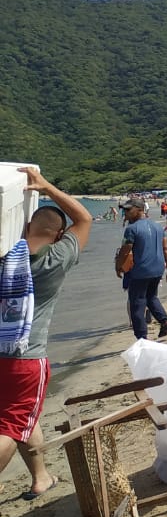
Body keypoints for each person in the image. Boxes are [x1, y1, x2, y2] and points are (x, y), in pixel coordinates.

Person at [0, 168, 91, 498]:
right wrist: (45, 186)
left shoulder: (4, 257)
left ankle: (40, 478)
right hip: (25, 359)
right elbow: (84, 220)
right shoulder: (56, 258)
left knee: (22, 416)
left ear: (24, 227)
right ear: (59, 234)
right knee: (10, 427)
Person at [115, 198, 167, 339]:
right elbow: (165, 249)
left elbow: (125, 250)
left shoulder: (131, 229)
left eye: (129, 210)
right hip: (157, 270)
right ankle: (165, 322)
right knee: (151, 297)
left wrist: (118, 266)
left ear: (140, 210)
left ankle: (142, 338)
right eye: (124, 210)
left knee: (137, 303)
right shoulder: (158, 227)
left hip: (140, 272)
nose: (126, 213)